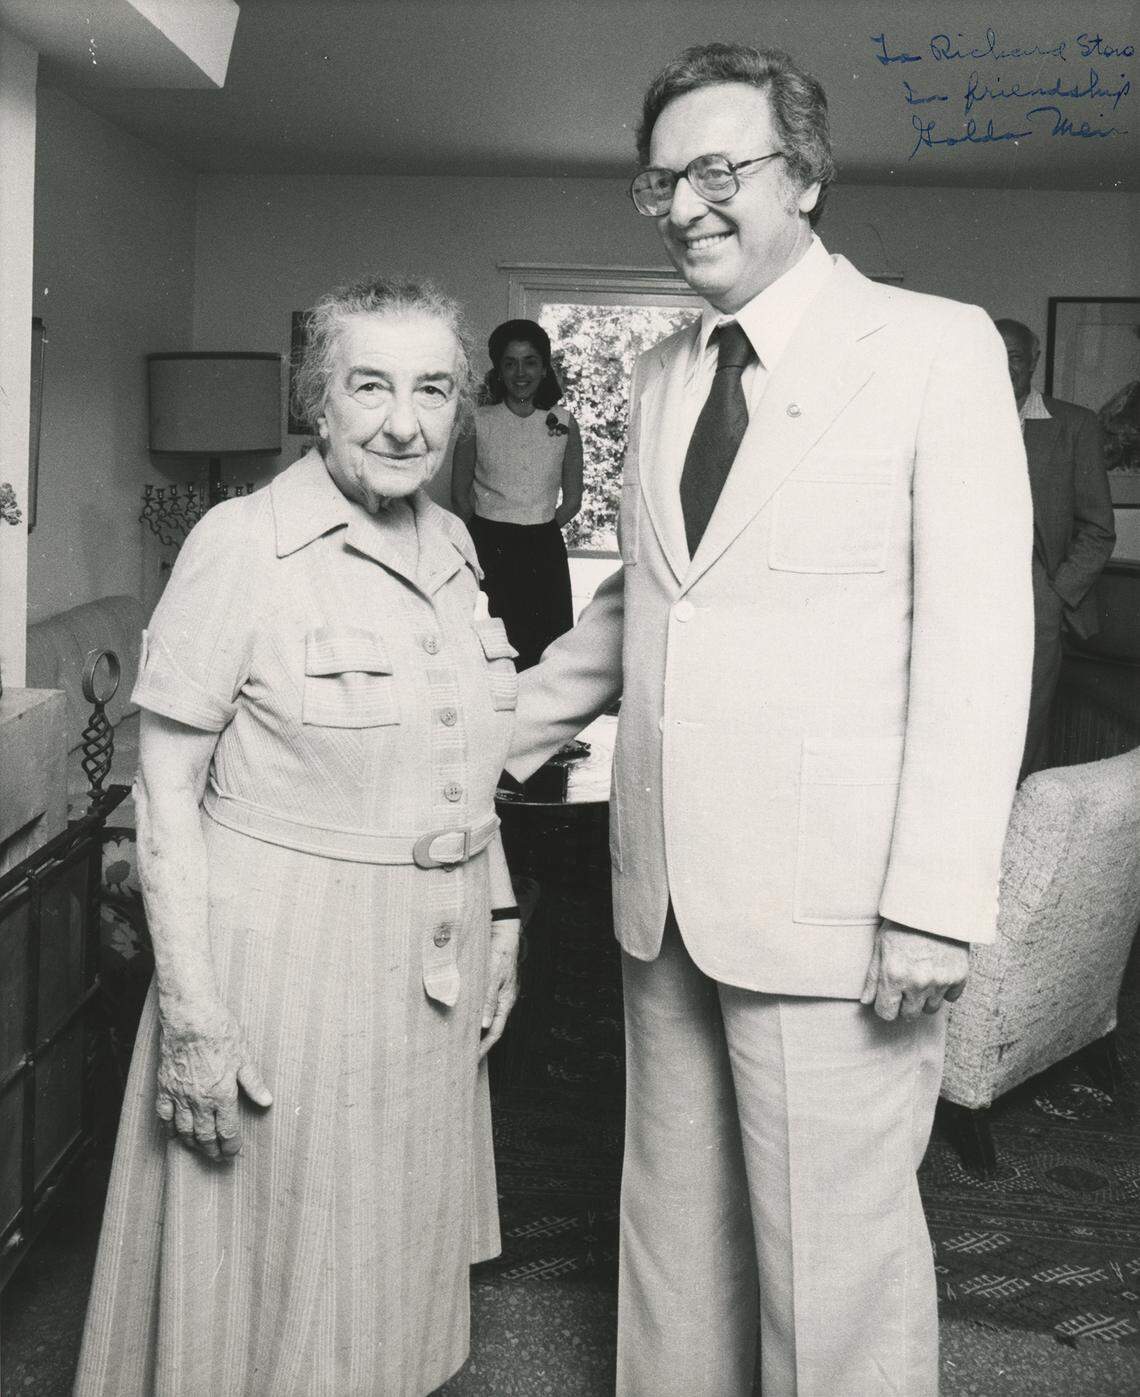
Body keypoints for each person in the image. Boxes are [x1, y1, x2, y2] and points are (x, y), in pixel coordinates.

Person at [505, 43, 1034, 1397]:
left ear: (805, 175)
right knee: (671, 1245)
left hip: (839, 910)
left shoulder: (933, 349)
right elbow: (647, 609)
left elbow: (981, 648)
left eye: (719, 171)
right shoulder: (669, 370)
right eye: (662, 180)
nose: (685, 205)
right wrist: (487, 739)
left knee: (834, 1270)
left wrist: (931, 902)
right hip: (663, 890)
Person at [74, 276, 521, 1397]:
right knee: (272, 1272)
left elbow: (458, 751)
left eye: (432, 388)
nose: (403, 420)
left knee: (393, 1256)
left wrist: (502, 908)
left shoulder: (458, 542)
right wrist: (192, 1016)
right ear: (317, 403)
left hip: (431, 955)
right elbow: (164, 790)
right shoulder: (242, 543)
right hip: (284, 959)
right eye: (369, 386)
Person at [994, 319, 1116, 780]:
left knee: (1025, 720)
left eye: (1015, 357)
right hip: (966, 597)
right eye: (994, 355)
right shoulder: (956, 419)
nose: (1004, 367)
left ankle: (1018, 837)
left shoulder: (1073, 425)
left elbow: (1099, 529)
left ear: (1035, 361)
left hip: (1038, 594)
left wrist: (1056, 595)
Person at [451, 318, 583, 669]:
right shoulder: (476, 420)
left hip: (543, 549)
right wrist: (485, 533)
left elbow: (572, 499)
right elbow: (460, 495)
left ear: (544, 369)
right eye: (510, 363)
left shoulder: (564, 422)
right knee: (488, 647)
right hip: (489, 547)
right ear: (499, 369)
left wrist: (536, 527)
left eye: (530, 362)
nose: (520, 372)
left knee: (543, 651)